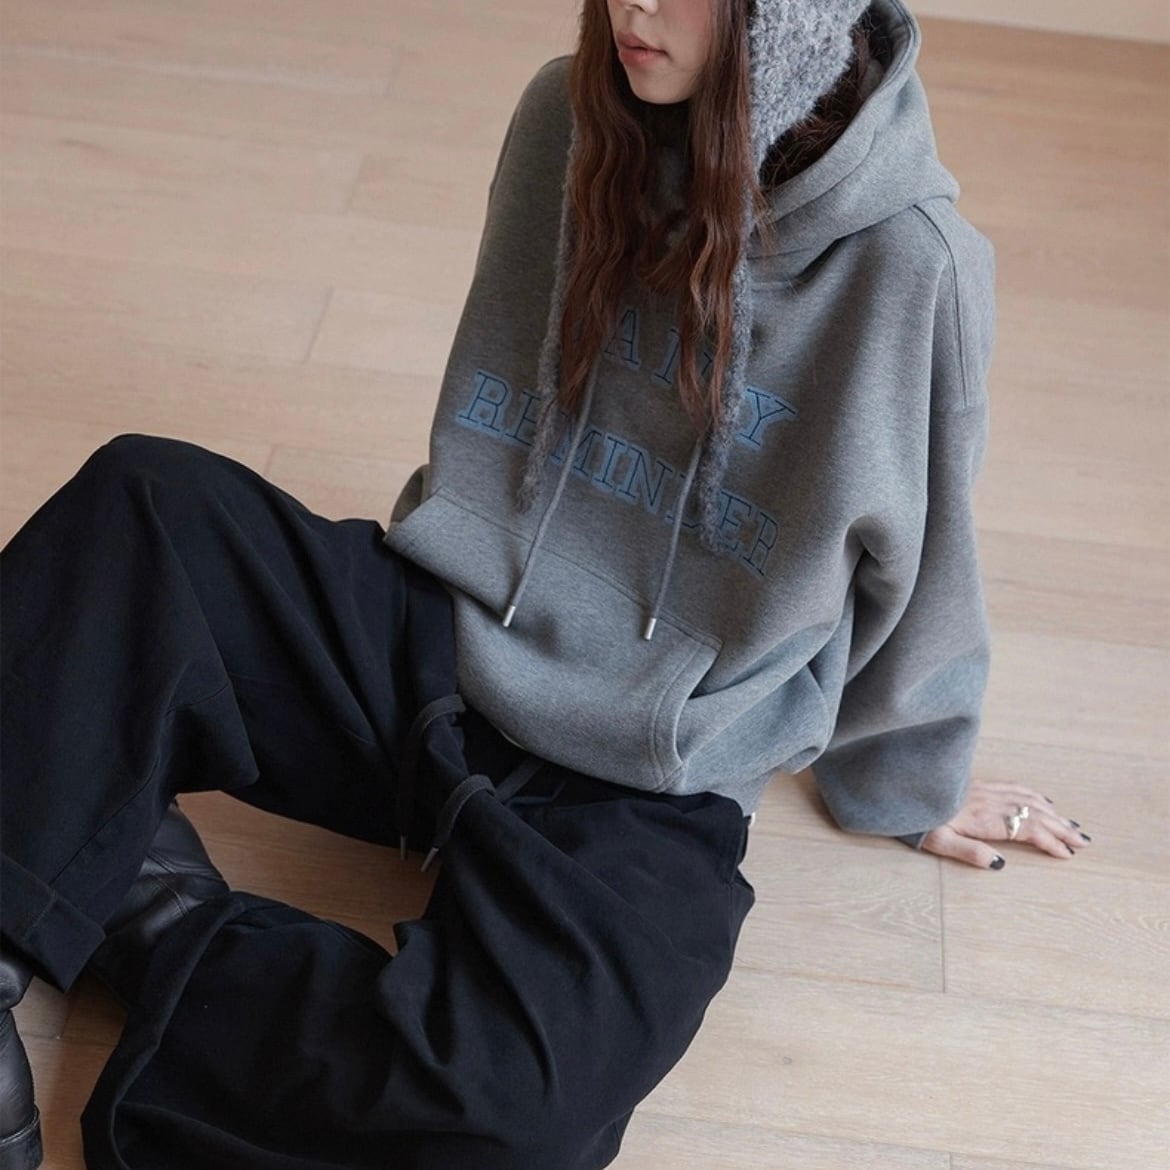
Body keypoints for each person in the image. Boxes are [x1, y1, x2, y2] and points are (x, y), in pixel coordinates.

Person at [0, 1, 1092, 1167]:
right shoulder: (566, 120)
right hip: (444, 633)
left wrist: (909, 782)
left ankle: (154, 913)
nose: (633, 5)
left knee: (523, 1110)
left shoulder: (915, 266)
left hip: (654, 770)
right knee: (141, 509)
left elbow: (925, 566)